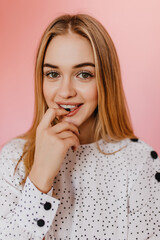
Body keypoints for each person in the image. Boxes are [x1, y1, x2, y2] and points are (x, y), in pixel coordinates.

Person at [0, 13, 159, 240]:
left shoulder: (140, 161)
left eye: (83, 74)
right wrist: (40, 177)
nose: (65, 92)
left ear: (105, 79)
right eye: (53, 74)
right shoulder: (13, 158)